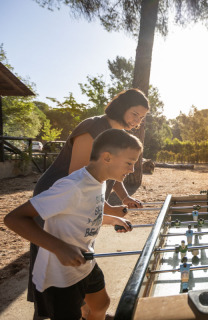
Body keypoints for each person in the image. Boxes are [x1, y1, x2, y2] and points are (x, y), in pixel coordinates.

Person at [28, 88, 149, 318]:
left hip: (82, 198)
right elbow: (80, 178)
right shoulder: (93, 128)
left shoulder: (119, 134)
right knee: (53, 267)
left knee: (77, 260)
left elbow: (113, 170)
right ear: (122, 106)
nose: (137, 121)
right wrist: (104, 208)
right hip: (58, 197)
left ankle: (91, 310)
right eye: (135, 114)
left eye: (141, 118)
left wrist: (123, 199)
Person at [4, 129, 142, 320]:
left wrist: (113, 219)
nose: (132, 170)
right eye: (130, 163)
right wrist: (60, 248)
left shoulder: (100, 182)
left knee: (101, 304)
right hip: (59, 276)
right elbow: (14, 219)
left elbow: (86, 213)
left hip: (85, 262)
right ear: (107, 158)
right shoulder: (72, 186)